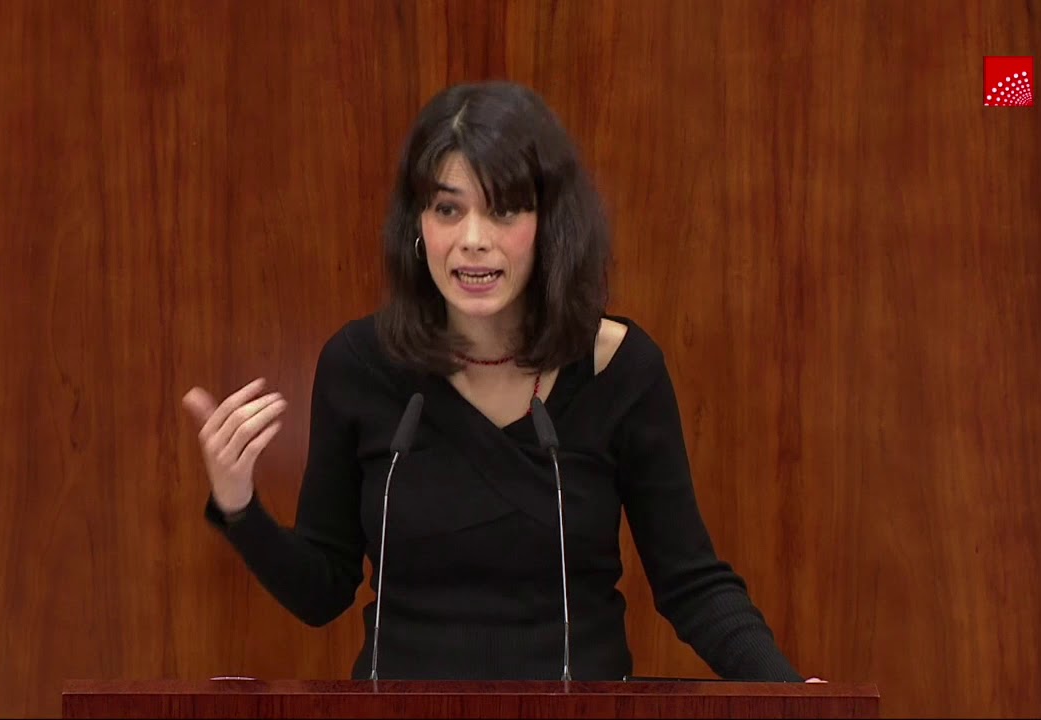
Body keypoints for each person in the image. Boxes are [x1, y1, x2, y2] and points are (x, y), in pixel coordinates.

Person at [182, 80, 815, 683]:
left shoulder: (619, 369)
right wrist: (239, 506)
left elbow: (692, 584)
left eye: (504, 209)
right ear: (417, 225)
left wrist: (793, 698)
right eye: (448, 209)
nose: (473, 241)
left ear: (550, 224)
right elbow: (321, 593)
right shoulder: (361, 365)